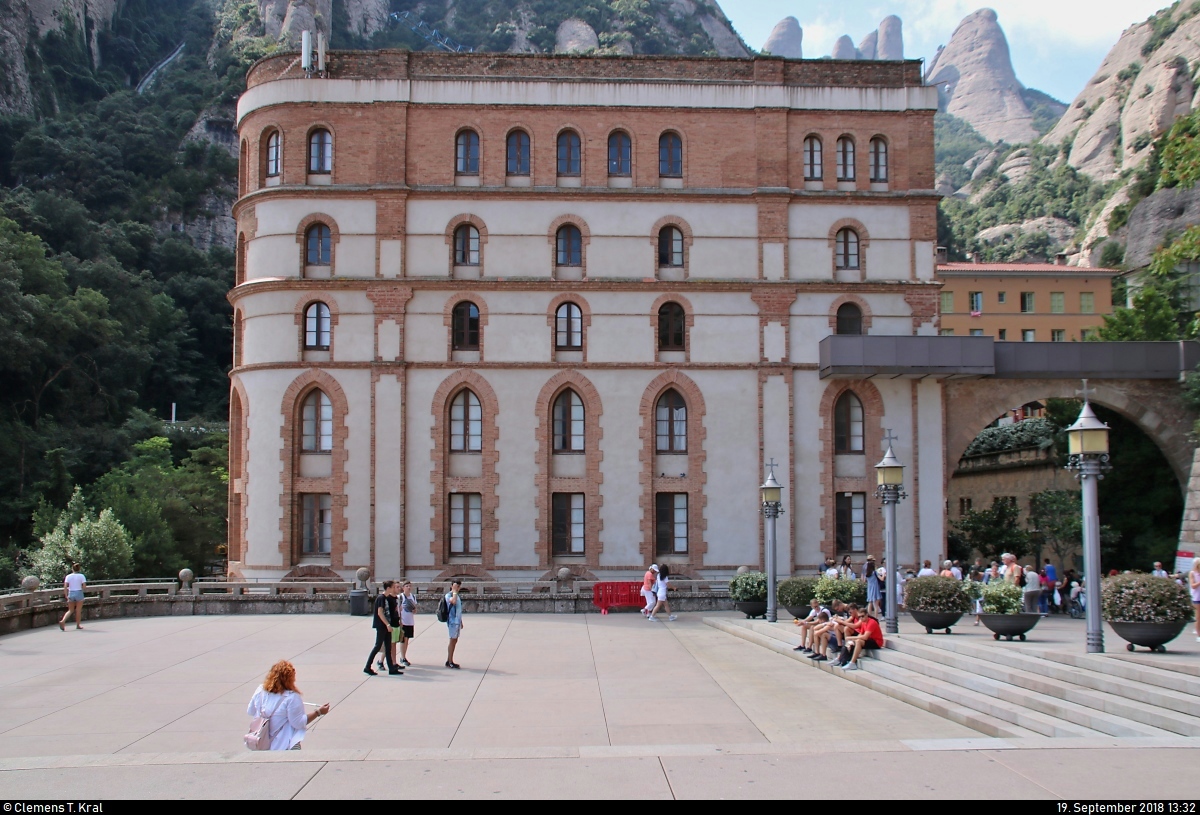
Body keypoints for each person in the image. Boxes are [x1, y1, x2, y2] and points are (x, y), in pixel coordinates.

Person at [247, 660, 329, 750]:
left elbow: (250, 710)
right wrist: (318, 712)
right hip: (283, 744)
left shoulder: (260, 690)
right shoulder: (291, 697)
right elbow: (298, 723)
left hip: (261, 741)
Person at [365, 581, 402, 676]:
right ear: (388, 588)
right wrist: (387, 625)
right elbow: (380, 612)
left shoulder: (386, 598)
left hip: (386, 626)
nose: (394, 589)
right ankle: (367, 667)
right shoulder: (381, 598)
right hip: (381, 626)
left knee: (388, 647)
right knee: (377, 646)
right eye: (393, 587)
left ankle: (392, 668)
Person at [377, 580, 402, 672]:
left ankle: (393, 663)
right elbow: (383, 612)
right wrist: (387, 624)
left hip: (396, 623)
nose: (399, 589)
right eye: (396, 587)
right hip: (390, 624)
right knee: (389, 646)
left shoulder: (397, 598)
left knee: (393, 644)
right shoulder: (387, 598)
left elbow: (398, 612)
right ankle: (382, 661)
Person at [59, 563, 86, 631]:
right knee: (78, 610)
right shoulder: (81, 576)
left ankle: (63, 621)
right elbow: (84, 586)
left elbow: (65, 586)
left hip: (71, 593)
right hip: (79, 592)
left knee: (70, 610)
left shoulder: (68, 576)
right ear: (79, 569)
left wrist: (66, 595)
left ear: (72, 569)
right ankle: (78, 625)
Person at [445, 578, 464, 668]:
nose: (458, 588)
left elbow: (458, 610)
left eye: (459, 586)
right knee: (452, 640)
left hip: (457, 621)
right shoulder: (449, 595)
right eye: (456, 586)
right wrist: (454, 591)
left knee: (455, 640)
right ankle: (449, 661)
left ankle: (450, 659)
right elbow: (453, 601)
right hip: (452, 622)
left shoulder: (457, 596)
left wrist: (461, 621)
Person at [398, 580, 417, 667]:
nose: (409, 588)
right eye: (407, 586)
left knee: (407, 640)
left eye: (410, 586)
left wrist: (414, 610)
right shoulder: (400, 597)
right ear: (403, 588)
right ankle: (402, 657)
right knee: (403, 639)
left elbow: (415, 609)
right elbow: (397, 609)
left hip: (410, 621)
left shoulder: (413, 597)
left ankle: (404, 656)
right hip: (403, 621)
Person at [1190, 558, 1200, 642]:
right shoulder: (1193, 573)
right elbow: (1193, 585)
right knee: (1198, 617)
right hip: (1197, 598)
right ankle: (1198, 635)